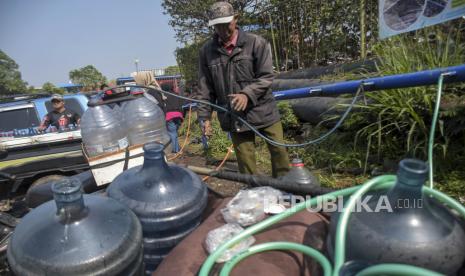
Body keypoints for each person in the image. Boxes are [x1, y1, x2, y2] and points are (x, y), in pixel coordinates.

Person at [197, 1, 289, 177]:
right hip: (235, 116)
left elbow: (266, 77)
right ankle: (253, 197)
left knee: (279, 153)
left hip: (264, 110)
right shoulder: (207, 52)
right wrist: (205, 117)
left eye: (226, 25)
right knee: (246, 163)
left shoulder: (256, 43)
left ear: (236, 19)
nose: (223, 31)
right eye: (218, 27)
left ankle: (287, 192)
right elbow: (204, 88)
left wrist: (247, 94)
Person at [161, 82, 184, 153]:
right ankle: (178, 148)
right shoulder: (177, 95)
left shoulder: (164, 96)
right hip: (179, 115)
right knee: (174, 132)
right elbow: (181, 104)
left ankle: (175, 150)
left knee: (172, 133)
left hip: (169, 116)